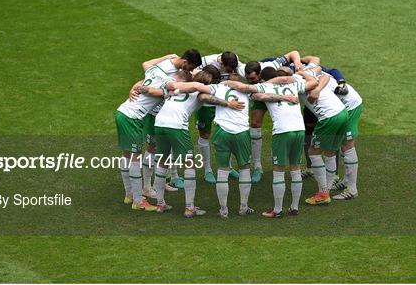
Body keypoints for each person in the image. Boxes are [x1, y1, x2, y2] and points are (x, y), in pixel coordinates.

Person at [224, 67, 319, 218]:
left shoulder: (265, 85)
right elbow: (313, 83)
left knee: (279, 170)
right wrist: (298, 76)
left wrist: (226, 82)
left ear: (263, 78)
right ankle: (294, 208)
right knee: (295, 168)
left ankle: (278, 210)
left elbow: (248, 90)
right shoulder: (293, 84)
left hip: (282, 132)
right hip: (299, 130)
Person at [152, 71, 245, 218]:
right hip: (176, 126)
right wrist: (229, 103)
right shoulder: (200, 92)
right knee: (189, 164)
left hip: (159, 123)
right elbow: (209, 97)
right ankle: (190, 208)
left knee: (162, 162)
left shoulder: (180, 86)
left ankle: (160, 204)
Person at [211, 74, 299, 218]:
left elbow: (202, 96)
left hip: (222, 132)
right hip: (242, 133)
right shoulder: (248, 91)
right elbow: (265, 95)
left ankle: (223, 210)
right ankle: (243, 207)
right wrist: (286, 97)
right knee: (244, 168)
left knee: (222, 170)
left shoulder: (218, 88)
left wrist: (225, 101)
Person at [115, 70, 198, 211]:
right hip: (148, 117)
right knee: (142, 153)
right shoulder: (168, 83)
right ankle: (141, 195)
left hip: (131, 114)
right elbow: (151, 89)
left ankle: (133, 193)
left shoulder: (159, 74)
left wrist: (135, 87)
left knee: (131, 154)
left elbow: (143, 79)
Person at [243, 50, 303, 183]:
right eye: (248, 79)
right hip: (261, 93)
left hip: (276, 91)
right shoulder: (244, 71)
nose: (250, 81)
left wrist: (298, 63)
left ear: (260, 74)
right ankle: (257, 167)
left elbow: (293, 53)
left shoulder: (273, 65)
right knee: (255, 123)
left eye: (253, 79)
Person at [310, 68, 363, 200]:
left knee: (347, 145)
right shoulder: (311, 69)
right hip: (343, 106)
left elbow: (332, 70)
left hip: (349, 105)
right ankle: (345, 180)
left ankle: (352, 189)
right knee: (333, 147)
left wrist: (340, 81)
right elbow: (332, 70)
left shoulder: (306, 76)